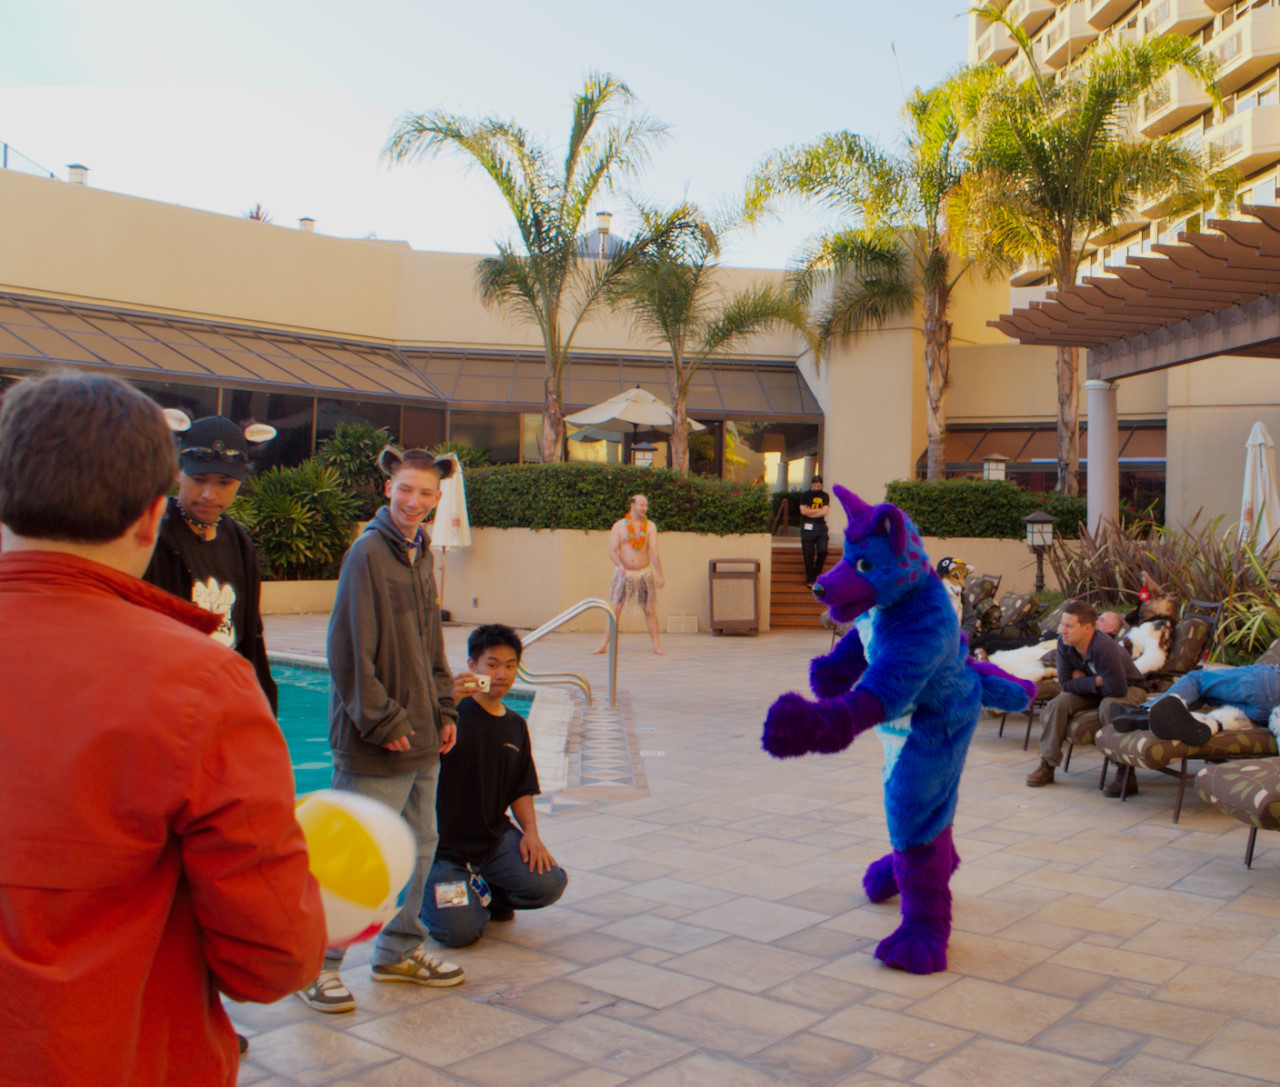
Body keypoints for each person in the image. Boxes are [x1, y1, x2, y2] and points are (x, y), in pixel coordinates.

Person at [0, 373, 325, 1087]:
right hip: (127, 1052)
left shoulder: (215, 638)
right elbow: (274, 957)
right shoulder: (199, 687)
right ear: (153, 516)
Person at [298, 446, 465, 1015]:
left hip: (423, 735)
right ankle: (315, 966)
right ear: (387, 488)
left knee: (417, 847)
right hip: (378, 739)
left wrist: (445, 710)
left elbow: (430, 644)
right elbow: (346, 648)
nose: (413, 501)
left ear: (437, 499)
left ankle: (398, 951)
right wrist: (382, 719)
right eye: (405, 489)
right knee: (352, 854)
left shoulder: (419, 553)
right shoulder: (367, 552)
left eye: (425, 493)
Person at [421, 624, 568, 948]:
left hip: (492, 843)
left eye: (510, 665)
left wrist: (531, 833)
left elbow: (521, 787)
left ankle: (484, 892)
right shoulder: (448, 715)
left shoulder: (515, 725)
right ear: (472, 666)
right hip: (442, 852)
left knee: (549, 884)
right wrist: (447, 702)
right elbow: (415, 752)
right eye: (492, 664)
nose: (502, 674)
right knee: (461, 931)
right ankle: (431, 895)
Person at [144, 414, 278, 713]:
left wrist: (263, 711)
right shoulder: (149, 534)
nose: (209, 494)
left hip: (223, 706)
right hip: (166, 707)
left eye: (224, 483)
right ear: (178, 472)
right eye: (199, 479)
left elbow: (251, 637)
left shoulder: (239, 541)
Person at [1026, 600, 1147, 790]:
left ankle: (1125, 772)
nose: (1062, 631)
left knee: (1109, 705)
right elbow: (1066, 684)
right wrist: (1096, 681)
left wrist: (1085, 681)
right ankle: (1048, 764)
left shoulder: (1104, 647)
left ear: (1088, 628)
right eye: (1062, 624)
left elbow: (1117, 690)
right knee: (1060, 702)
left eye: (1069, 626)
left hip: (1130, 688)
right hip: (1099, 688)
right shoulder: (1064, 643)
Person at [1111, 663, 1280, 745]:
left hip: (1269, 684)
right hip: (1266, 715)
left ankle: (1145, 712)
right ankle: (1150, 718)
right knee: (1205, 696)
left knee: (1196, 680)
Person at [593, 493, 666, 655]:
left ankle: (656, 645)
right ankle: (603, 644)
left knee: (649, 609)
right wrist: (620, 565)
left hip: (644, 573)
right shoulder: (619, 526)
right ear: (632, 505)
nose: (644, 508)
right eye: (641, 505)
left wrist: (660, 574)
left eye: (646, 505)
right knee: (615, 609)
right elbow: (612, 551)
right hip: (624, 573)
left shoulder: (650, 526)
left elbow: (653, 551)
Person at [799, 474, 831, 587]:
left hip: (820, 526)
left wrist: (810, 511)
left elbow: (825, 512)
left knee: (823, 551)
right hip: (807, 527)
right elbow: (803, 511)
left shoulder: (825, 496)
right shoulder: (805, 495)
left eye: (818, 486)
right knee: (808, 553)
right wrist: (818, 510)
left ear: (821, 485)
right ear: (811, 485)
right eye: (815, 486)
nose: (816, 488)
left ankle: (817, 573)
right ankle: (810, 578)